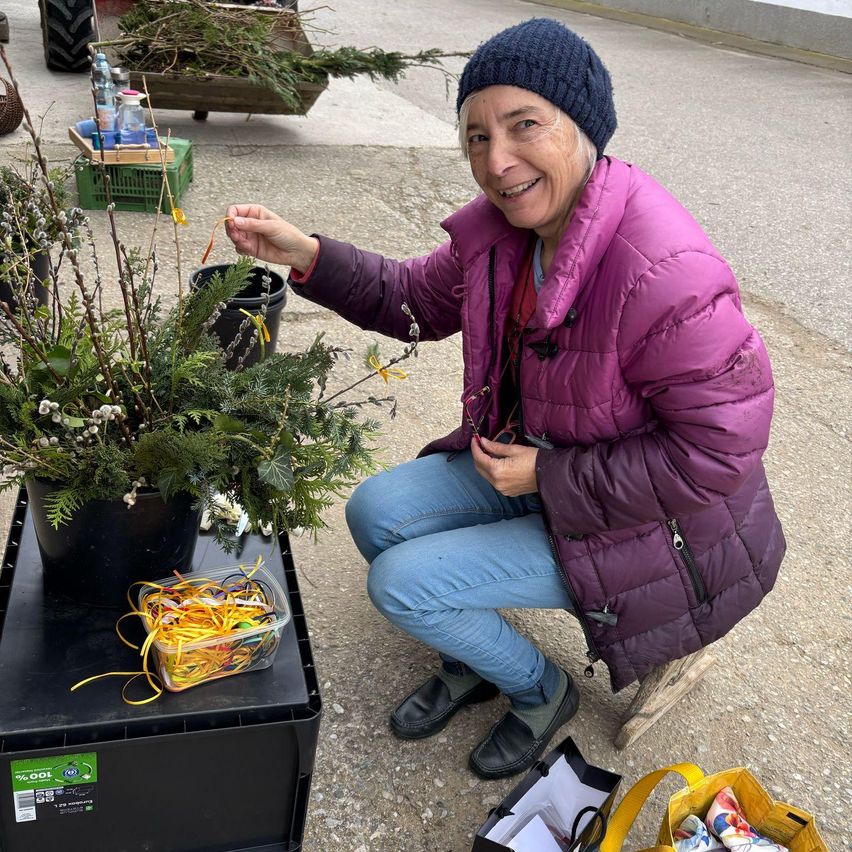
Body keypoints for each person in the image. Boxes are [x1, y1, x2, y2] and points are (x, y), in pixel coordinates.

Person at [225, 18, 785, 780]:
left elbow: (717, 455)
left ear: (583, 125)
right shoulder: (505, 233)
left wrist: (548, 476)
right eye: (477, 137)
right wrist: (310, 256)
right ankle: (473, 658)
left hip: (653, 529)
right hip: (541, 468)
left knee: (401, 584)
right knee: (374, 513)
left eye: (525, 126)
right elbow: (412, 298)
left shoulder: (664, 271)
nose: (497, 161)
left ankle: (541, 692)